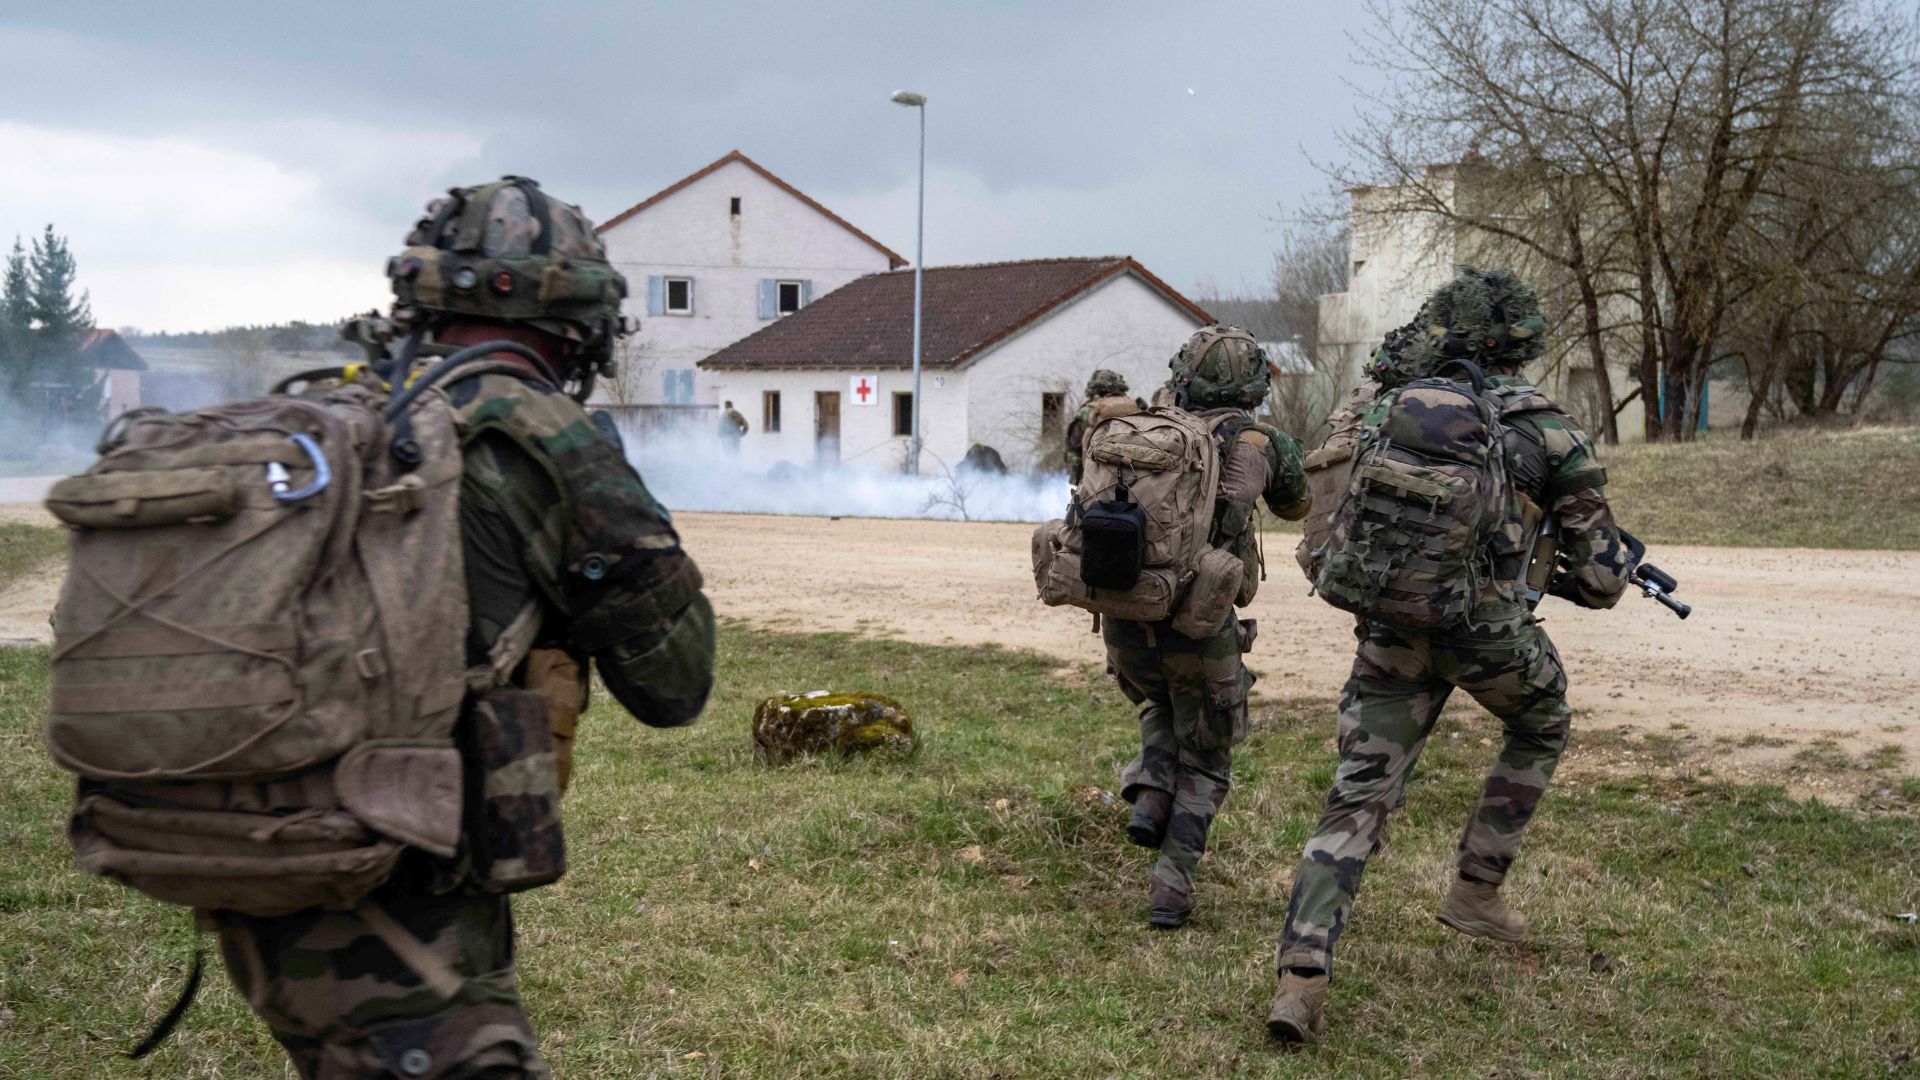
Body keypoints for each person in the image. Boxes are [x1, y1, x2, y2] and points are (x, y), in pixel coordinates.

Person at [214, 177, 716, 1078]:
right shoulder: (543, 432)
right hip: (390, 893)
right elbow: (677, 685)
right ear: (573, 317)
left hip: (265, 852)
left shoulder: (352, 409)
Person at [1268, 268, 1631, 1044]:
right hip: (1488, 636)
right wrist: (1543, 569)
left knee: (1358, 795)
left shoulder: (1387, 409)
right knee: (1541, 722)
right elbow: (1601, 580)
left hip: (1392, 629)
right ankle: (1476, 892)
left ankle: (1301, 973)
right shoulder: (1552, 431)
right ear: (1526, 340)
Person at [1110, 326, 1309, 929]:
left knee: (1161, 701)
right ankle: (1170, 891)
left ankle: (1149, 795)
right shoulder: (1258, 438)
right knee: (1209, 753)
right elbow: (1295, 504)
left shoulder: (1145, 427)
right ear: (1252, 384)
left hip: (1127, 618)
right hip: (1200, 620)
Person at [1064, 369, 1145, 484]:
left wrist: (1076, 482)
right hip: (1135, 480)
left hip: (1095, 483)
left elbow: (1074, 451)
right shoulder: (1136, 407)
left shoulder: (1087, 411)